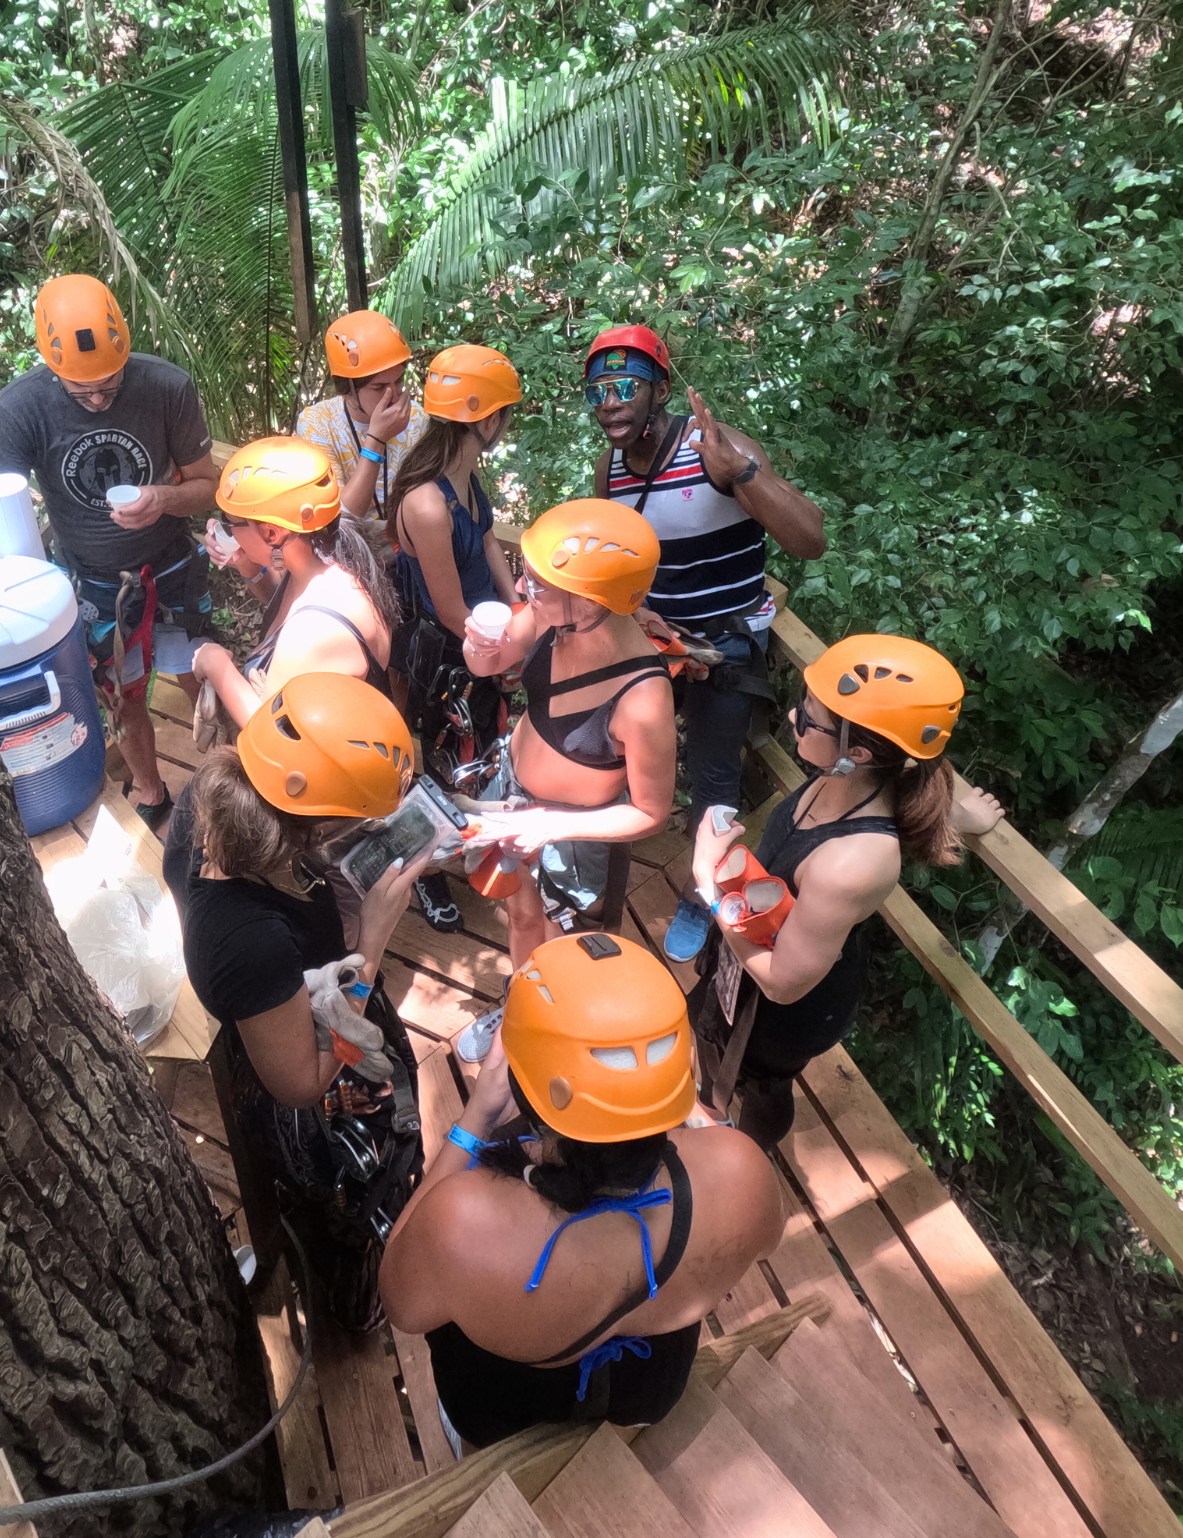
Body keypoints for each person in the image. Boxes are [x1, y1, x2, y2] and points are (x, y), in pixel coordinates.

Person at [379, 931, 786, 1451]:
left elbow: (400, 1302)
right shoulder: (742, 1170)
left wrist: (476, 1117)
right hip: (650, 1382)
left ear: (521, 1087)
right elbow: (767, 1241)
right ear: (680, 1071)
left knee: (495, 1446)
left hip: (504, 1402)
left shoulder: (462, 1222)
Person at [163, 673, 432, 1329]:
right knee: (353, 1188)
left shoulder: (209, 796)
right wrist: (372, 943)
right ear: (318, 824)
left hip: (280, 999)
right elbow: (304, 1084)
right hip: (308, 1059)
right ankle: (355, 1299)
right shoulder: (250, 941)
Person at [686, 633, 1005, 1145]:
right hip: (756, 937)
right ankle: (711, 1107)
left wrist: (708, 882)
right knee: (709, 1033)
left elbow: (782, 983)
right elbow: (915, 798)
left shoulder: (852, 863)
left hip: (787, 994)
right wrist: (961, 818)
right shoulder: (859, 777)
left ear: (856, 751)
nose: (794, 717)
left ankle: (749, 1152)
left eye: (809, 718)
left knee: (761, 1081)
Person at [581, 326, 827, 959]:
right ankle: (601, 880)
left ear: (660, 390)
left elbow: (809, 539)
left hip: (724, 647)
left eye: (625, 387)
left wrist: (740, 472)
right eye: (598, 392)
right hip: (656, 644)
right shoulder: (611, 469)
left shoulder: (716, 449)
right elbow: (619, 560)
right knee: (615, 750)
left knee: (714, 777)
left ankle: (700, 895)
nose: (610, 403)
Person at [0, 273, 217, 830]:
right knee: (122, 694)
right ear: (51, 366)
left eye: (109, 383)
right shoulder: (22, 406)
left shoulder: (165, 386)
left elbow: (207, 486)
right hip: (96, 582)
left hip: (171, 565)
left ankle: (235, 775)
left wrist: (164, 499)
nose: (99, 399)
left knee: (202, 675)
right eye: (81, 390)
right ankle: (151, 791)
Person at [452, 500, 678, 1058]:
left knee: (567, 946)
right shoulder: (550, 615)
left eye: (538, 581)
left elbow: (651, 812)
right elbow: (488, 662)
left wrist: (549, 825)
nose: (523, 587)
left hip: (569, 831)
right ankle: (519, 1007)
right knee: (520, 911)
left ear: (592, 599)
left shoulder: (644, 698)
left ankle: (555, 1029)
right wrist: (478, 644)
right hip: (513, 795)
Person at [384, 343, 522, 932]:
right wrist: (506, 648)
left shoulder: (464, 480)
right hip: (446, 652)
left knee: (475, 754)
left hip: (479, 640)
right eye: (505, 414)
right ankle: (427, 873)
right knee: (438, 763)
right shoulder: (427, 503)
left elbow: (487, 541)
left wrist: (518, 610)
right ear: (486, 420)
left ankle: (463, 844)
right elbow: (448, 609)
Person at [191, 436, 399, 727]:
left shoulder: (316, 628)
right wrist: (247, 563)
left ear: (271, 533)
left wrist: (216, 664)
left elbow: (268, 732)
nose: (226, 531)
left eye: (230, 523)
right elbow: (283, 607)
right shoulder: (324, 558)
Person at [294, 310, 430, 532]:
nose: (393, 395)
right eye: (379, 387)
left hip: (407, 543)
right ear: (348, 388)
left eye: (398, 381)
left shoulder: (417, 418)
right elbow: (342, 519)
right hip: (349, 545)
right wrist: (376, 440)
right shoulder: (317, 424)